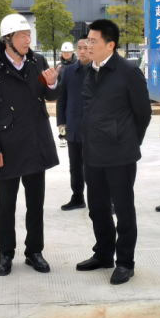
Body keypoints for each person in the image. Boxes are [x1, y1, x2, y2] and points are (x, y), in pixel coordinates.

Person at [0, 14, 61, 276]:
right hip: (7, 147)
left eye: (29, 35)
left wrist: (52, 83)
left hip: (35, 142)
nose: (28, 40)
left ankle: (34, 252)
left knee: (36, 204)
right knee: (6, 205)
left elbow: (50, 96)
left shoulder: (38, 62)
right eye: (22, 35)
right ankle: (5, 253)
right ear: (8, 39)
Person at [76, 20, 152, 285]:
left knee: (123, 210)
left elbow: (143, 113)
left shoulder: (128, 72)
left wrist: (129, 141)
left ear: (110, 45)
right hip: (92, 152)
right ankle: (103, 254)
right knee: (97, 209)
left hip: (120, 155)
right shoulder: (90, 70)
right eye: (87, 40)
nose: (87, 45)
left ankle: (125, 262)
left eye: (93, 41)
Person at [56, 36, 91, 211]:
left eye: (86, 48)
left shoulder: (99, 70)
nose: (82, 51)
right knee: (75, 166)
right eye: (80, 48)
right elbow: (62, 99)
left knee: (97, 166)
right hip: (73, 126)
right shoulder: (69, 72)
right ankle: (77, 197)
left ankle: (106, 200)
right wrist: (61, 122)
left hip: (94, 129)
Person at [57, 42, 77, 148]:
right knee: (61, 116)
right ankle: (62, 137)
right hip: (62, 95)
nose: (66, 54)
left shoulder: (77, 65)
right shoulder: (58, 66)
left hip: (73, 95)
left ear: (72, 52)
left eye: (68, 52)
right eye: (64, 52)